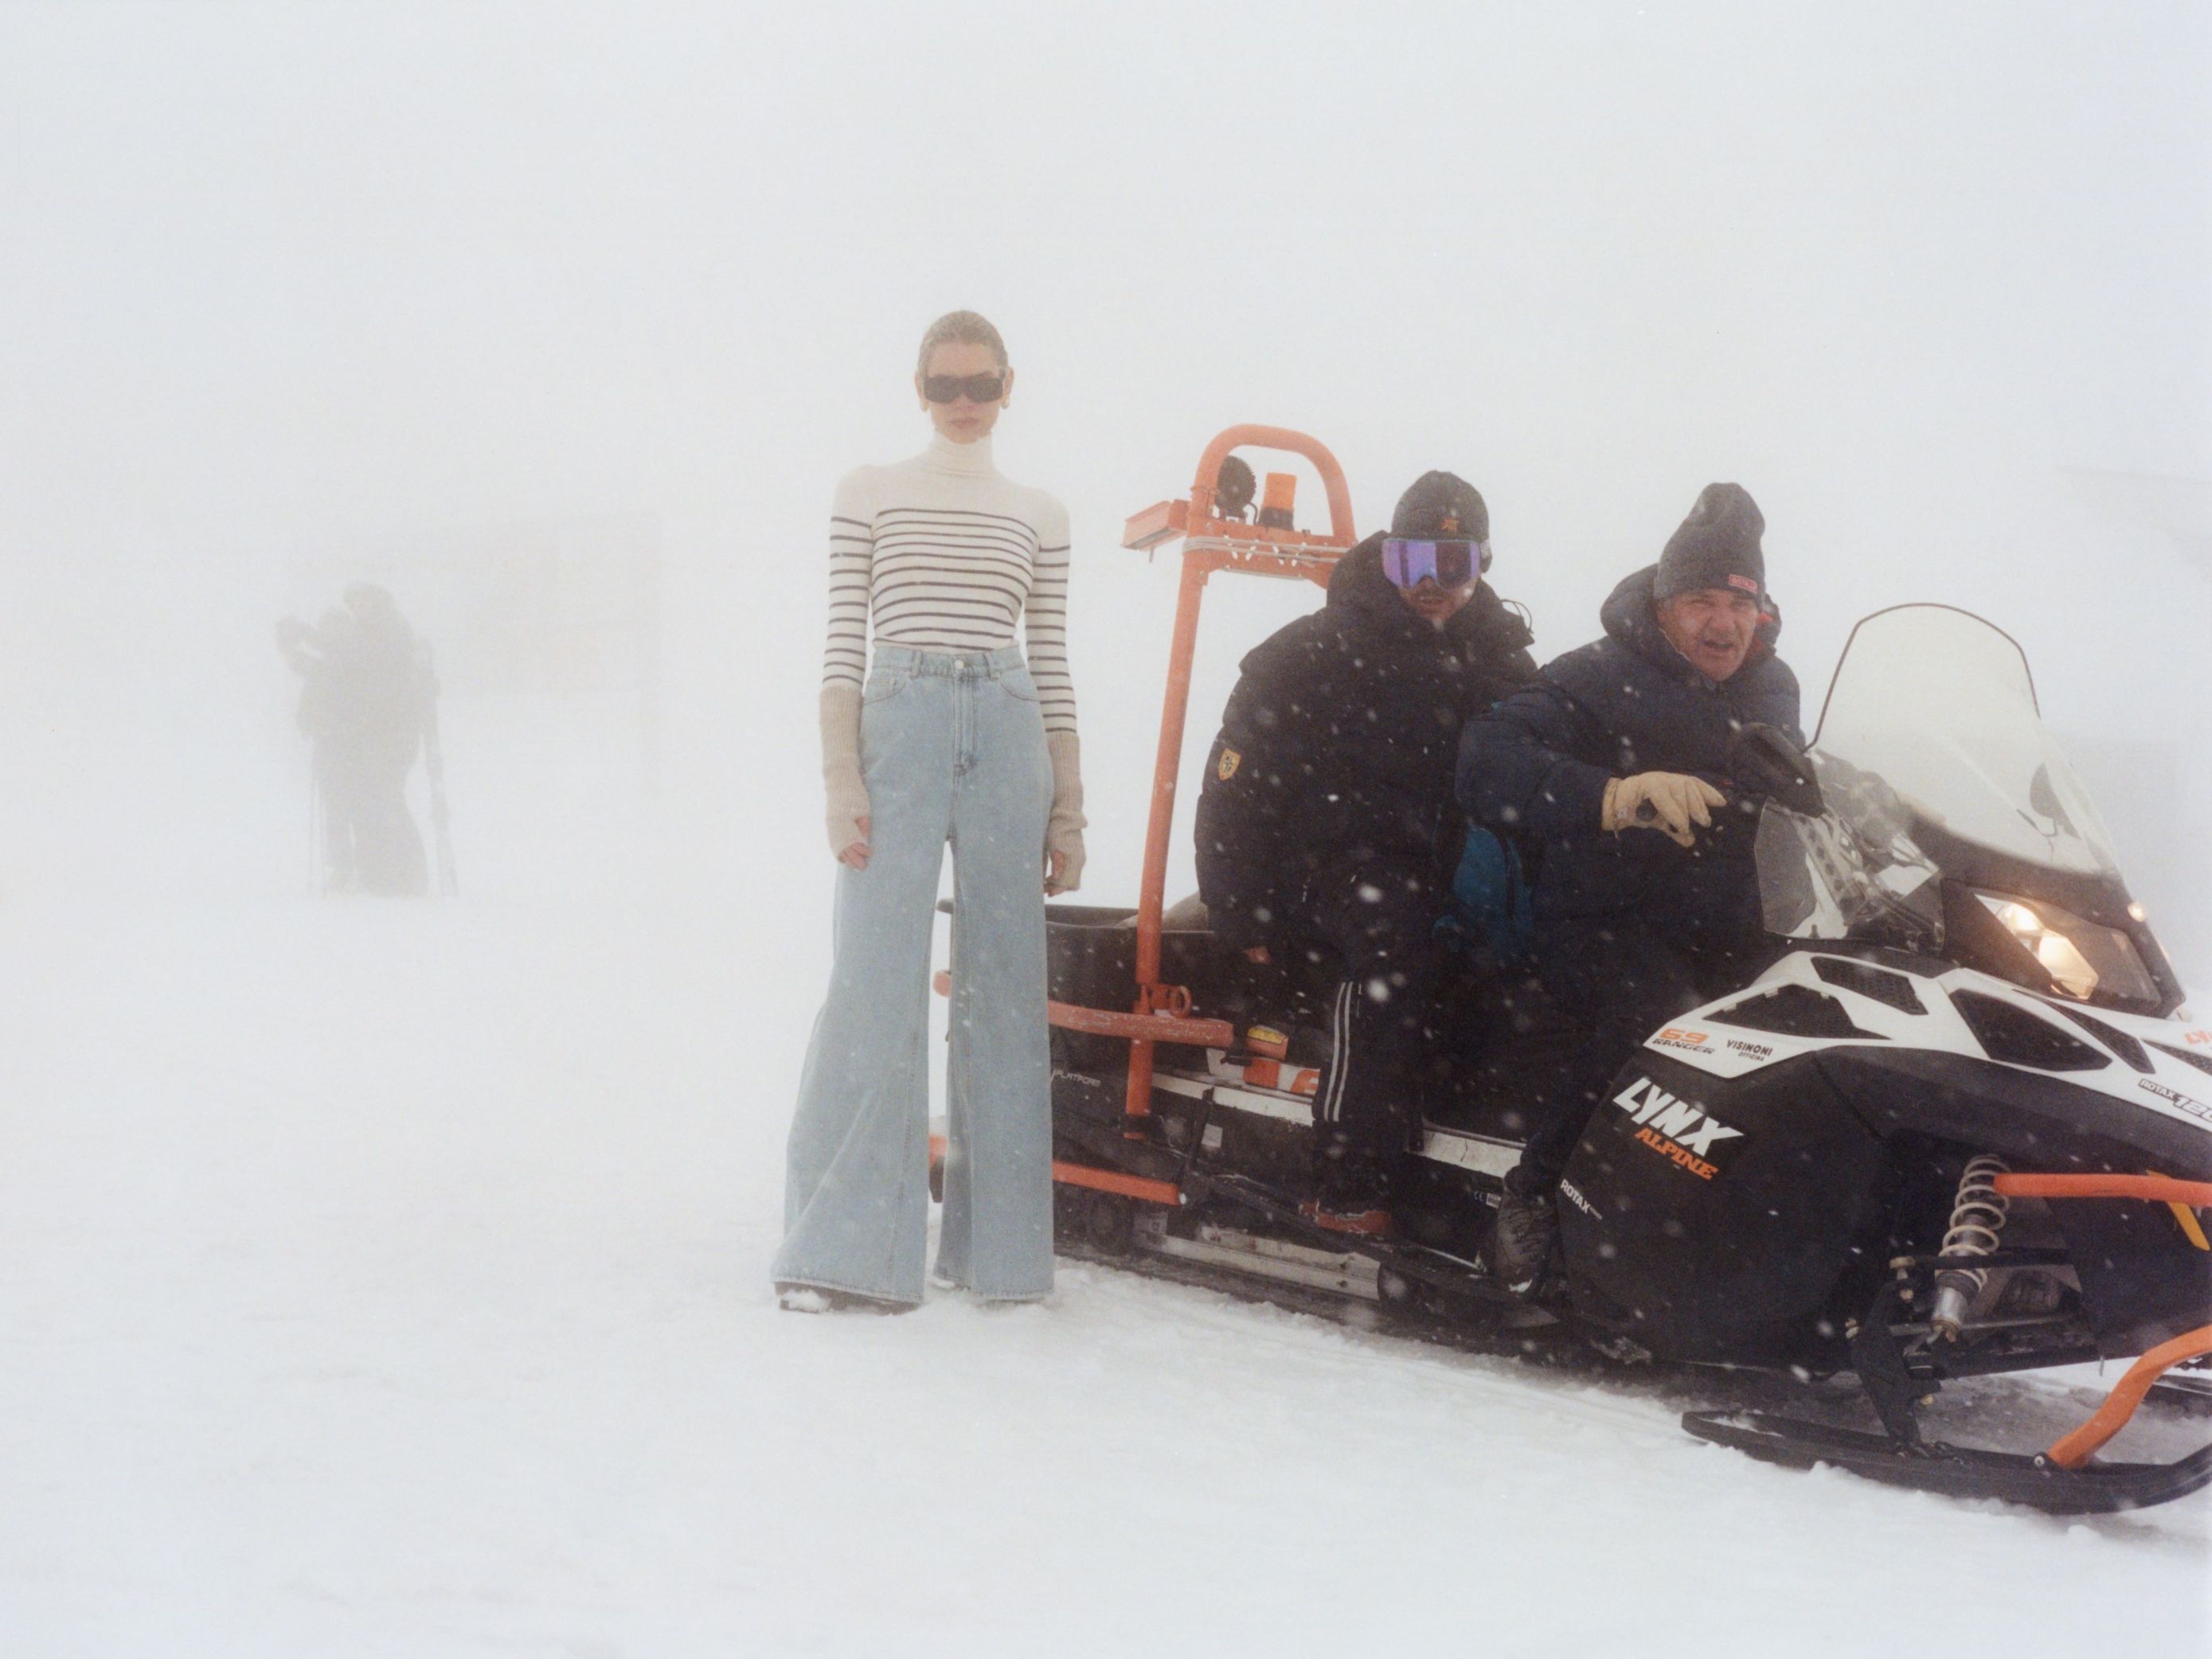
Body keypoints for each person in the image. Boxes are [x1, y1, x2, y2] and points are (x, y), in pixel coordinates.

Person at [773, 310, 1085, 1313]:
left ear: (1007, 387)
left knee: (1004, 989)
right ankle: (842, 1252)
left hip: (1006, 724)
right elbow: (839, 648)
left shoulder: (1041, 511)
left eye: (980, 385)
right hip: (897, 720)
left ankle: (1000, 1259)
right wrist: (840, 781)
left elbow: (1052, 662)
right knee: (873, 983)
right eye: (945, 384)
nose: (963, 403)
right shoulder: (869, 492)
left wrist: (1068, 808)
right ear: (919, 388)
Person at [1458, 482, 1800, 1287]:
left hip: (1736, 927)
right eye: (1701, 600)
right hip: (1599, 923)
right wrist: (1612, 795)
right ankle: (1533, 1195)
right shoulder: (1596, 675)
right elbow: (1485, 759)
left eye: (1739, 603)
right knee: (1662, 1016)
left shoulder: (1773, 687)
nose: (1723, 622)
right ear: (1663, 603)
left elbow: (1797, 786)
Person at [1194, 472, 1538, 1233]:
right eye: (1414, 562)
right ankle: (1351, 1174)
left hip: (1457, 867)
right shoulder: (1309, 655)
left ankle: (1527, 1167)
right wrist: (1240, 911)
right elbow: (1234, 790)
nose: (1432, 585)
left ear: (1481, 566)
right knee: (1398, 936)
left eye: (1455, 566)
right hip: (1328, 871)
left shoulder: (1505, 665)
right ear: (1387, 555)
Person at [276, 584, 432, 896]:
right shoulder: (373, 634)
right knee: (370, 805)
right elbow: (332, 670)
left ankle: (398, 876)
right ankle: (382, 875)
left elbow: (346, 662)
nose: (358, 608)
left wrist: (304, 639)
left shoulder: (382, 632)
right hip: (369, 739)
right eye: (354, 604)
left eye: (362, 602)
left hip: (383, 736)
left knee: (381, 803)